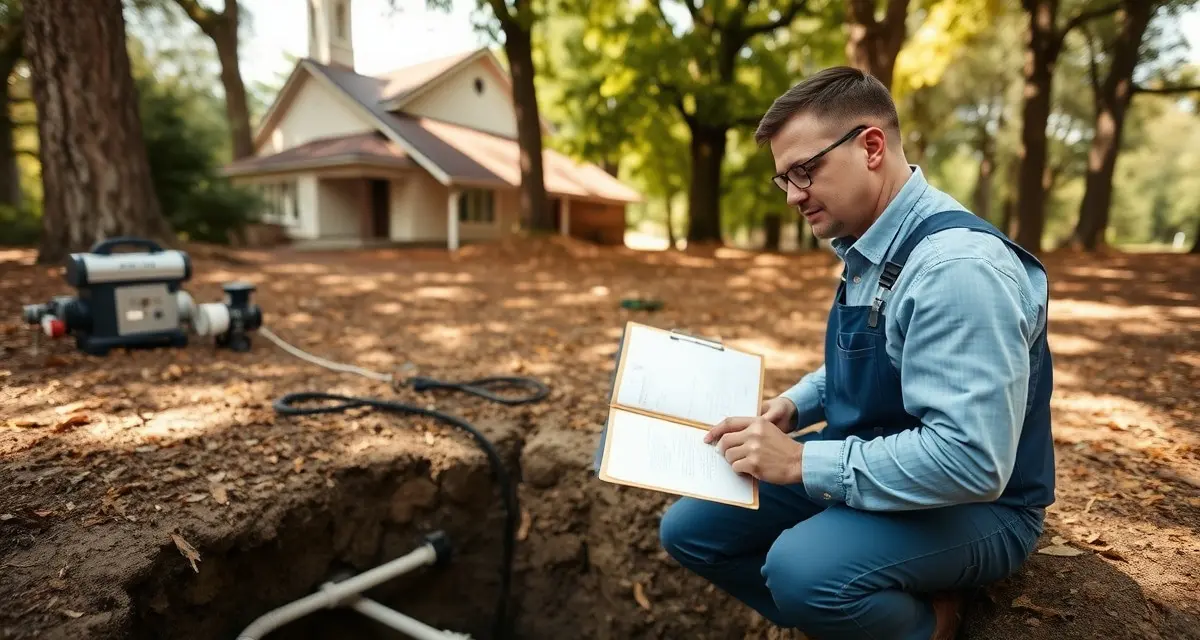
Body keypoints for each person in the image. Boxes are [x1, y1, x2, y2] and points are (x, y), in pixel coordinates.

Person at [658, 66, 1056, 640]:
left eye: (804, 170)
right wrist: (793, 406)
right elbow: (877, 353)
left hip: (981, 508)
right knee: (691, 530)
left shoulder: (957, 272)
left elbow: (972, 463)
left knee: (802, 572)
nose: (794, 195)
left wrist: (799, 463)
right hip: (873, 457)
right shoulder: (871, 240)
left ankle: (932, 625)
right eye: (784, 179)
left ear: (871, 146)